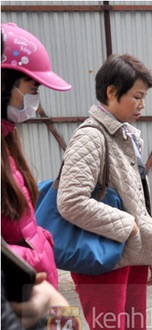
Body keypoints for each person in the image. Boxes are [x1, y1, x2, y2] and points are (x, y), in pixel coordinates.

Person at [56, 54, 152, 330]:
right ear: (111, 92)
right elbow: (71, 201)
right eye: (136, 96)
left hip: (127, 255)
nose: (142, 105)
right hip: (101, 259)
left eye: (144, 97)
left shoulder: (124, 135)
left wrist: (148, 251)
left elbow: (137, 202)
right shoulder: (91, 136)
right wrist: (128, 226)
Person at [1, 22, 72, 290]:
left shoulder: (8, 141)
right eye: (32, 90)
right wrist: (33, 258)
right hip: (20, 307)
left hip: (38, 293)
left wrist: (41, 243)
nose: (34, 102)